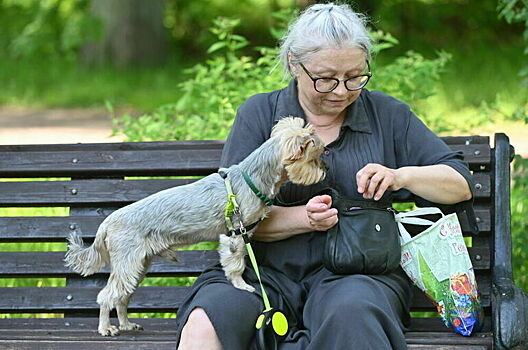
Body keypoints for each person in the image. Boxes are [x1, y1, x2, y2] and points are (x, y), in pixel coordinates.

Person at [175, 3, 474, 349]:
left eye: (354, 77)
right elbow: (231, 216)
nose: (342, 91)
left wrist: (401, 176)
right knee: (206, 320)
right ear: (293, 64)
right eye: (326, 78)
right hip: (261, 274)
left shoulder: (388, 116)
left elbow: (460, 184)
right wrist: (303, 218)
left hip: (359, 278)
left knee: (353, 315)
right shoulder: (259, 114)